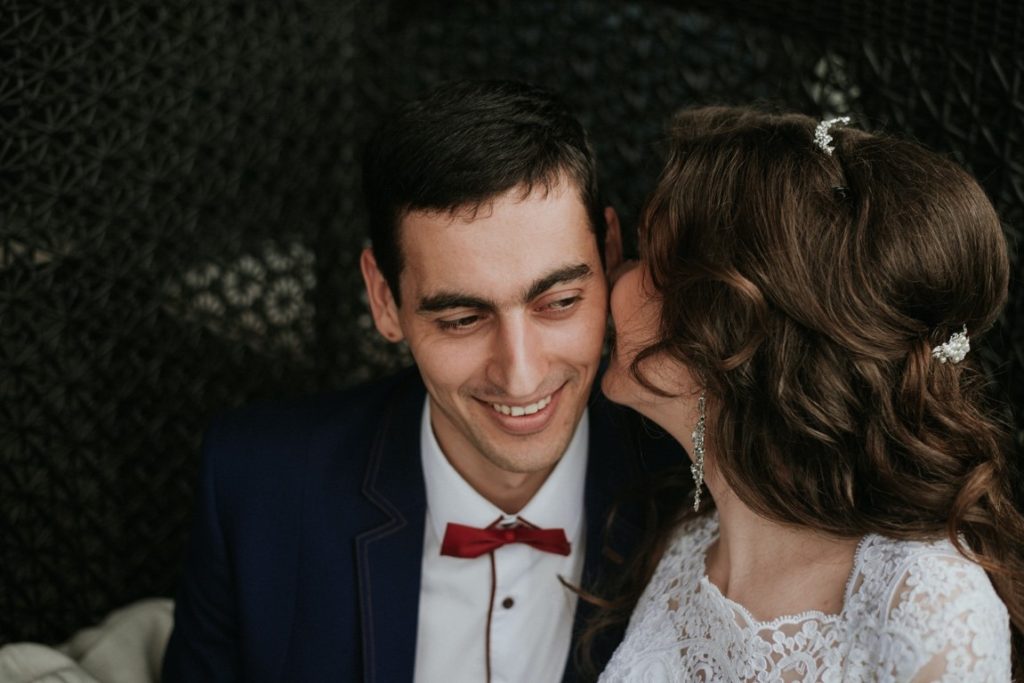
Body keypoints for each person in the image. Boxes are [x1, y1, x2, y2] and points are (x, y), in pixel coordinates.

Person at [162, 79, 679, 682]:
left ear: (611, 251)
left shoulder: (691, 489)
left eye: (559, 302)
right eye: (462, 319)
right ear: (385, 300)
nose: (521, 374)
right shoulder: (256, 486)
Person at [592, 106, 1023, 680]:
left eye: (650, 260)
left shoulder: (925, 607)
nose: (615, 278)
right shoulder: (685, 549)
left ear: (729, 331)